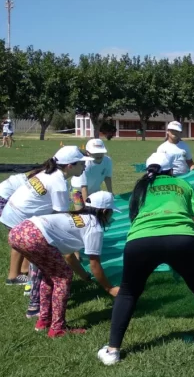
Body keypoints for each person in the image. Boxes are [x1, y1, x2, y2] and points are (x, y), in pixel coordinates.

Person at [97, 153, 194, 365]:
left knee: (128, 292)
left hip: (140, 241)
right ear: (172, 170)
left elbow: (134, 218)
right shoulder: (183, 185)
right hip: (182, 240)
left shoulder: (140, 187)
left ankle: (113, 350)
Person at [9, 192, 119, 336]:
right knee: (63, 278)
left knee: (49, 276)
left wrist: (84, 276)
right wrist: (109, 288)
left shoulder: (77, 216)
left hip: (18, 231)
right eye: (111, 213)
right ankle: (57, 328)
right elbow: (95, 264)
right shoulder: (94, 227)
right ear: (105, 211)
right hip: (35, 236)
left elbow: (69, 256)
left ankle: (43, 321)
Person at [1, 146, 90, 285]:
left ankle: (16, 275)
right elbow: (60, 218)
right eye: (82, 163)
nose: (84, 166)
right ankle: (31, 283)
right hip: (19, 215)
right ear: (69, 166)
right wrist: (72, 248)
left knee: (20, 243)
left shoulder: (49, 172)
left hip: (10, 211)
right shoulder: (59, 183)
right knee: (35, 242)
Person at [70, 138, 114, 208]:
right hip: (77, 191)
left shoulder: (107, 161)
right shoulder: (84, 164)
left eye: (101, 152)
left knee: (98, 211)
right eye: (95, 153)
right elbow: (84, 187)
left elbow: (107, 177)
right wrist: (87, 206)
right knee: (82, 213)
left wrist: (111, 193)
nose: (98, 155)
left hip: (95, 190)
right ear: (88, 153)